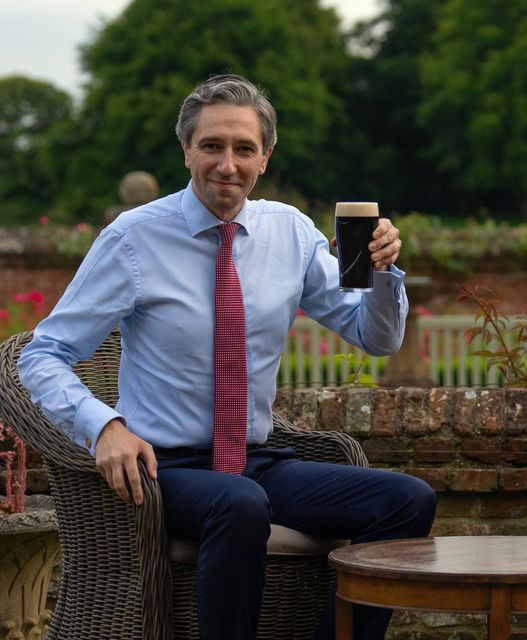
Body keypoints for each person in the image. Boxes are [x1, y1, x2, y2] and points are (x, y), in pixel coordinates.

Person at [18, 74, 437, 640]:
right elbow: (43, 354)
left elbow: (376, 337)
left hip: (255, 459)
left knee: (407, 501)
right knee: (238, 504)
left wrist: (383, 275)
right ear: (187, 150)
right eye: (212, 146)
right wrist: (104, 427)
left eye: (244, 148)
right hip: (163, 466)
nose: (227, 164)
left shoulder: (290, 232)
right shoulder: (133, 239)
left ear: (265, 156)